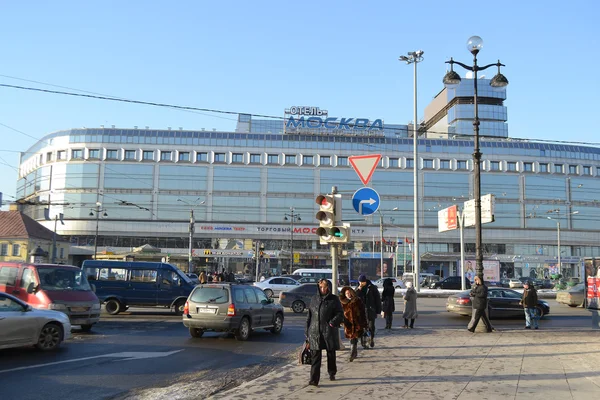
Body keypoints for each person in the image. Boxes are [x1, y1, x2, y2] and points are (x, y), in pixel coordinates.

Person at [305, 278, 344, 386]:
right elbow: (309, 316)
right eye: (321, 286)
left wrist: (332, 323)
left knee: (330, 353)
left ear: (328, 287)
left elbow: (340, 314)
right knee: (315, 357)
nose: (323, 289)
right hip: (315, 332)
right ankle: (314, 380)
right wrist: (307, 332)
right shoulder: (314, 299)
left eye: (325, 286)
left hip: (328, 331)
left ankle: (332, 372)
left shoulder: (334, 299)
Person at [339, 286, 368, 362]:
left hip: (357, 322)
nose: (348, 295)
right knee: (351, 338)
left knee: (354, 337)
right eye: (346, 293)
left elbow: (362, 312)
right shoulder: (342, 302)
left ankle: (352, 353)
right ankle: (354, 352)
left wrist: (364, 323)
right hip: (348, 323)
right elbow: (340, 313)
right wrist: (341, 321)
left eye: (349, 293)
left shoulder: (357, 300)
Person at [356, 274, 381, 348]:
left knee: (371, 326)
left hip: (371, 310)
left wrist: (378, 311)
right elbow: (354, 298)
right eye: (360, 282)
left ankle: (371, 339)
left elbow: (377, 299)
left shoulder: (372, 287)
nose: (361, 283)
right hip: (361, 311)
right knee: (362, 327)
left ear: (365, 281)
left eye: (362, 282)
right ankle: (363, 342)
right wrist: (358, 290)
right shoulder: (357, 288)